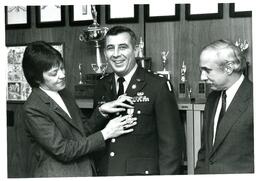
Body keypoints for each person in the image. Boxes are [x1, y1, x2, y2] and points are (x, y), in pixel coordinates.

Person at [22, 41, 137, 177]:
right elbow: (63, 150)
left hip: (84, 171)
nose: (62, 75)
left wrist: (102, 111)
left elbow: (82, 131)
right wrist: (106, 133)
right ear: (37, 79)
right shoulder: (33, 108)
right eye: (54, 73)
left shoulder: (64, 93)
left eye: (62, 68)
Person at [93, 26, 184, 176]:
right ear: (104, 53)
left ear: (135, 51)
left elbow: (171, 146)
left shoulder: (157, 85)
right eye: (110, 48)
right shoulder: (101, 86)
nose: (116, 54)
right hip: (106, 172)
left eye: (123, 47)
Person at [195, 39, 254, 174]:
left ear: (228, 68)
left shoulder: (252, 98)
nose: (202, 77)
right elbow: (205, 153)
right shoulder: (212, 98)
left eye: (207, 70)